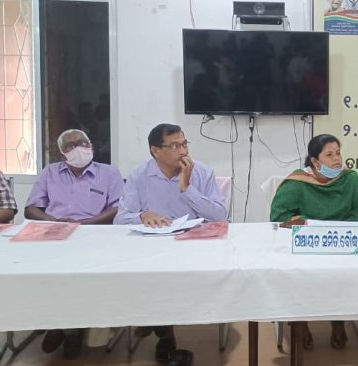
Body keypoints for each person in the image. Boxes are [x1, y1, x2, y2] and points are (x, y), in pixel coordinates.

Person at [116, 123, 227, 366]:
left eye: (184, 144)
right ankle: (163, 331)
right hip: (151, 247)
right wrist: (141, 215)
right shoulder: (139, 175)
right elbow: (120, 219)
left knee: (168, 277)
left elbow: (219, 216)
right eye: (175, 146)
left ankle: (159, 326)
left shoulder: (202, 172)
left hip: (192, 247)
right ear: (155, 151)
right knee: (149, 275)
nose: (183, 151)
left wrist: (187, 188)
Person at [25, 129, 124, 359]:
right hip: (55, 234)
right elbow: (31, 208)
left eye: (82, 142)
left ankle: (72, 330)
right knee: (46, 277)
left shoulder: (108, 173)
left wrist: (85, 224)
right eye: (70, 146)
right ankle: (57, 324)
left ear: (91, 146)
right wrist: (55, 222)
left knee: (81, 278)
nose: (78, 148)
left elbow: (119, 208)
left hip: (94, 235)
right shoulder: (50, 172)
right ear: (62, 153)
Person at [270, 134, 358, 351]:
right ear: (315, 161)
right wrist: (306, 225)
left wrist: (336, 230)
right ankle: (301, 322)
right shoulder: (297, 182)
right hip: (307, 244)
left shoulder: (350, 179)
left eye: (338, 153)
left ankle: (338, 320)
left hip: (342, 243)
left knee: (344, 275)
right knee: (299, 275)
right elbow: (279, 217)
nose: (337, 159)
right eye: (329, 155)